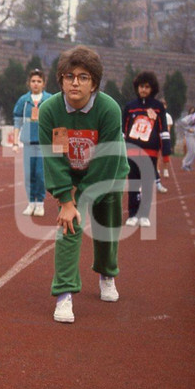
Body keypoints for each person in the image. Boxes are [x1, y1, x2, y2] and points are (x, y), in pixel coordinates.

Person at [38, 45, 129, 324]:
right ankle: (64, 295)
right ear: (61, 80)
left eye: (83, 77)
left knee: (107, 228)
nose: (75, 82)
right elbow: (54, 157)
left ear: (94, 83)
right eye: (68, 76)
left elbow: (105, 160)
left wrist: (85, 196)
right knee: (70, 224)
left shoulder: (108, 109)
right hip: (71, 171)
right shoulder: (51, 110)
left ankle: (106, 273)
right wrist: (67, 200)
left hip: (107, 173)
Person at [121, 71, 170, 228]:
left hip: (151, 151)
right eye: (141, 86)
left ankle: (144, 214)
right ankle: (133, 214)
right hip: (132, 150)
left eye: (147, 87)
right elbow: (123, 130)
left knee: (148, 182)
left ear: (152, 88)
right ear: (137, 88)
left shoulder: (158, 107)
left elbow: (163, 130)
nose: (143, 90)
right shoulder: (129, 107)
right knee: (134, 182)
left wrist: (166, 152)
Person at [12, 69, 52, 216]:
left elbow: (57, 121)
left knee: (40, 174)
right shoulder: (24, 100)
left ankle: (40, 203)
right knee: (29, 174)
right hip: (28, 142)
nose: (36, 84)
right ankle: (31, 203)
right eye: (33, 81)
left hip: (43, 143)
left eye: (39, 81)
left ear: (43, 83)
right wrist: (15, 143)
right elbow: (17, 122)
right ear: (29, 83)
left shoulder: (49, 99)